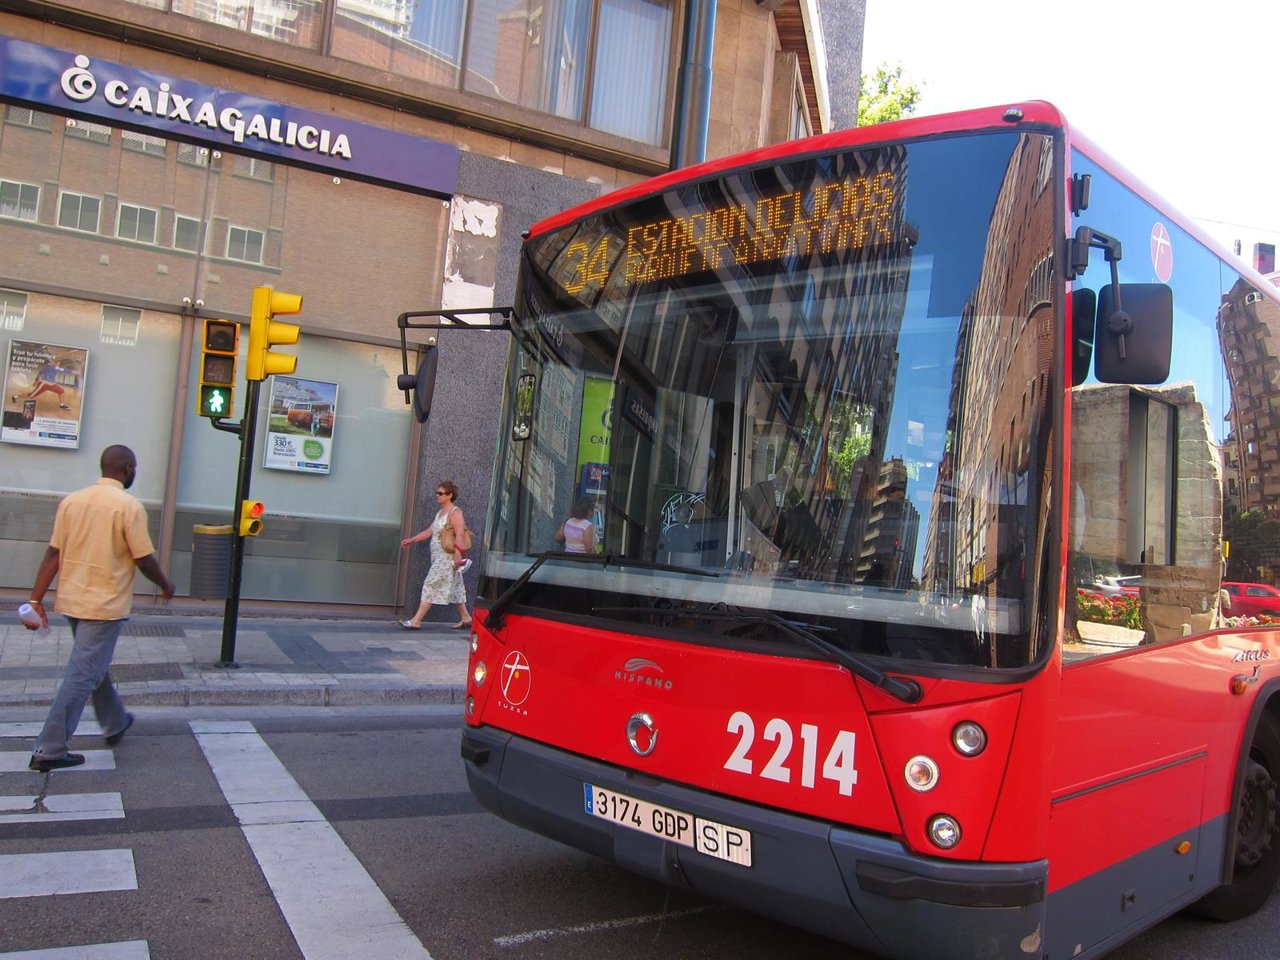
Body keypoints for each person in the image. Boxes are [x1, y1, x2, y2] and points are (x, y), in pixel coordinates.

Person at [25, 445, 175, 771]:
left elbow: (54, 553)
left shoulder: (72, 502)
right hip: (104, 605)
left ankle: (115, 721)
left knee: (92, 665)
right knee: (82, 674)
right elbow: (143, 557)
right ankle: (49, 749)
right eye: (134, 468)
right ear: (128, 469)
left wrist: (36, 599)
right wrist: (165, 584)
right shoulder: (128, 507)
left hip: (73, 601)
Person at [398, 479, 470, 630]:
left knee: (430, 584)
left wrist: (457, 554)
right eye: (437, 493)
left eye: (440, 493)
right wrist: (412, 540)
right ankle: (466, 618)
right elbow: (430, 531)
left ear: (449, 495)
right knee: (456, 588)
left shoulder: (455, 512)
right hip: (438, 557)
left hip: (447, 558)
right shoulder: (440, 513)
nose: (437, 496)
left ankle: (416, 620)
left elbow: (460, 534)